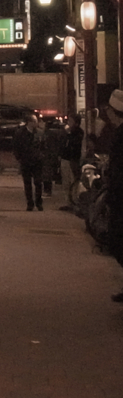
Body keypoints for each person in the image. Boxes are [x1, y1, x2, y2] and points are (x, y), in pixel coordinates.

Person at [104, 90, 123, 302]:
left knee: (118, 239)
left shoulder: (119, 135)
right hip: (117, 193)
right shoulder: (117, 133)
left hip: (120, 194)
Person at [13, 113, 45, 211]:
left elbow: (43, 146)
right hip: (26, 161)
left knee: (38, 182)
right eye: (34, 121)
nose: (36, 123)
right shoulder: (20, 133)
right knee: (27, 183)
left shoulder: (39, 133)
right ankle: (30, 203)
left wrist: (42, 156)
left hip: (37, 161)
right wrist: (19, 158)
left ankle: (39, 202)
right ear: (29, 122)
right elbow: (16, 146)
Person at [58, 115, 84, 211]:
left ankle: (74, 202)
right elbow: (62, 143)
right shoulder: (66, 132)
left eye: (71, 121)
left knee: (73, 181)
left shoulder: (78, 133)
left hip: (73, 160)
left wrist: (69, 134)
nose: (69, 122)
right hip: (65, 159)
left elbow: (75, 145)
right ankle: (68, 202)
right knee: (66, 182)